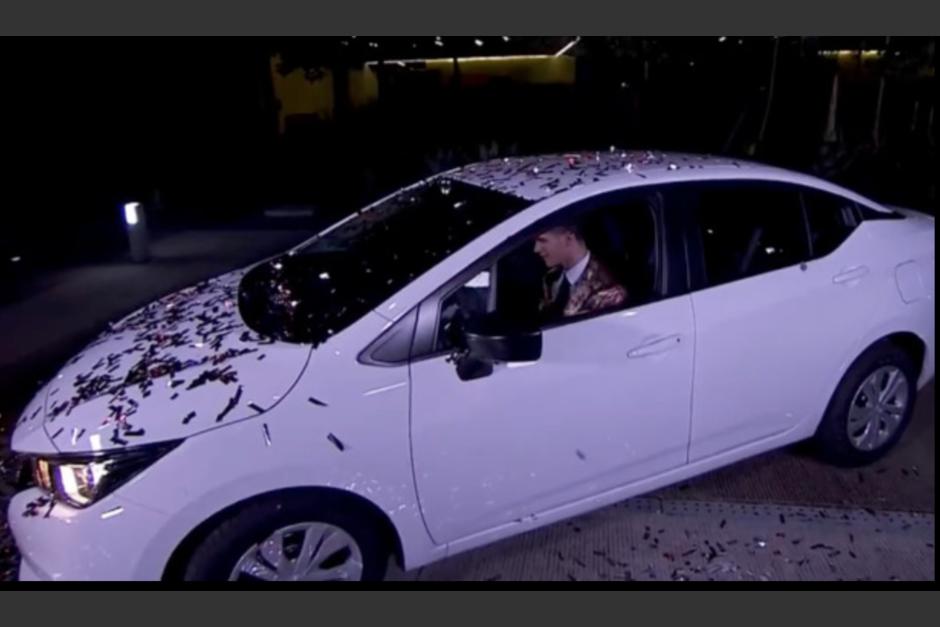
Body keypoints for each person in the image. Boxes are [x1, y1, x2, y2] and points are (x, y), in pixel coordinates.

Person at [533, 224, 627, 321]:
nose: (536, 249)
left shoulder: (608, 291)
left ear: (568, 239)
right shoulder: (551, 277)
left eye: (542, 240)